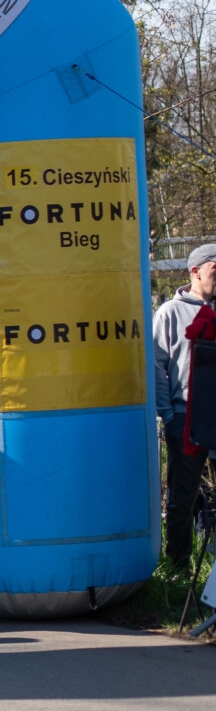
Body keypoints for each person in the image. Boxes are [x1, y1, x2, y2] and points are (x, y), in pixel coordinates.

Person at [154, 243, 216, 569]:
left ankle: (211, 570)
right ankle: (178, 566)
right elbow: (157, 366)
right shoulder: (170, 313)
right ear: (196, 271)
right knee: (183, 496)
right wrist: (168, 415)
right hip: (186, 417)